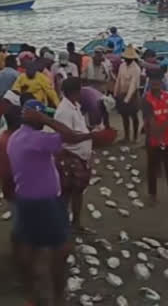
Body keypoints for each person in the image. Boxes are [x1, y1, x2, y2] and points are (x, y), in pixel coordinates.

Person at [8, 99, 94, 305]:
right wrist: (46, 118)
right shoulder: (37, 139)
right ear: (36, 117)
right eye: (42, 116)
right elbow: (69, 136)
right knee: (61, 249)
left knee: (28, 246)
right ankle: (57, 297)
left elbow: (51, 153)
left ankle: (30, 294)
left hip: (24, 200)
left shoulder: (16, 137)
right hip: (46, 203)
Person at [54, 78, 96, 234]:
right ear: (75, 92)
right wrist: (92, 136)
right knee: (67, 192)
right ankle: (62, 225)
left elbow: (78, 129)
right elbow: (66, 137)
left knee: (77, 191)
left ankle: (75, 223)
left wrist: (90, 131)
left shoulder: (74, 106)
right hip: (70, 156)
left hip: (80, 155)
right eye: (80, 89)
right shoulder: (64, 111)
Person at [143, 69, 168, 205]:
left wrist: (162, 130)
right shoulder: (145, 99)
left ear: (162, 82)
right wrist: (159, 133)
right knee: (152, 168)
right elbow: (151, 121)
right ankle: (152, 194)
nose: (156, 84)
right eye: (153, 81)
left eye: (158, 81)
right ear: (150, 83)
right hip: (153, 139)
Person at [113, 45, 141, 143]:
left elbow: (133, 85)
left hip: (133, 94)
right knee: (124, 116)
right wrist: (116, 93)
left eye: (129, 59)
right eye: (126, 59)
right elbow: (118, 80)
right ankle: (126, 136)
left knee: (134, 116)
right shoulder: (122, 66)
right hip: (122, 92)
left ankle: (135, 137)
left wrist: (127, 99)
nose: (127, 60)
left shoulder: (136, 69)